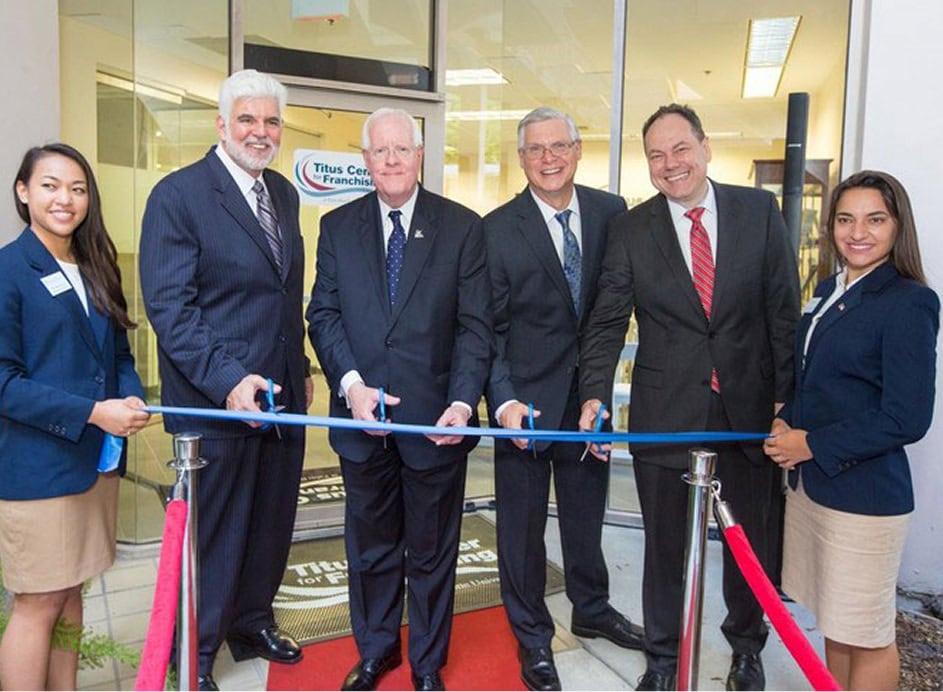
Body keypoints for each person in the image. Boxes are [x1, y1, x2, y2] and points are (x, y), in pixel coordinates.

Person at [578, 103, 800, 691]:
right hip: (666, 415)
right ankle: (662, 658)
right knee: (665, 550)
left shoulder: (758, 211)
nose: (670, 164)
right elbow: (605, 322)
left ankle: (746, 649)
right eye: (656, 154)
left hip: (746, 413)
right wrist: (593, 397)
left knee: (748, 544)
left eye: (680, 149)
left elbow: (783, 312)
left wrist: (786, 404)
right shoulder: (632, 227)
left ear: (705, 147)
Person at [307, 107, 492, 692]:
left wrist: (463, 405)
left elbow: (475, 328)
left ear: (419, 155)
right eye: (379, 151)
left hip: (435, 423)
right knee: (370, 549)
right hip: (361, 421)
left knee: (433, 552)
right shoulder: (337, 228)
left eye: (401, 149)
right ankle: (376, 652)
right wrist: (352, 385)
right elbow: (324, 314)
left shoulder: (462, 227)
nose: (390, 160)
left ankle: (428, 663)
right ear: (365, 160)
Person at [139, 69, 312, 690]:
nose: (260, 133)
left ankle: (251, 622)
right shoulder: (179, 195)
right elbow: (170, 309)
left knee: (270, 522)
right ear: (221, 124)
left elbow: (284, 294)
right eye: (248, 120)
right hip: (216, 405)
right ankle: (196, 649)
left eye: (270, 122)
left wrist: (303, 369)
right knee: (214, 535)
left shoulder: (284, 195)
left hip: (282, 399)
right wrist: (230, 380)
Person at [483, 107, 643, 691]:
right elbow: (487, 329)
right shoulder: (496, 229)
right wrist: (502, 402)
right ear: (521, 158)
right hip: (522, 405)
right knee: (520, 530)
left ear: (578, 151)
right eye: (536, 149)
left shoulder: (612, 213)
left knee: (584, 515)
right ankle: (532, 635)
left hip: (588, 400)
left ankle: (592, 609)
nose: (549, 158)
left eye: (559, 146)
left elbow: (612, 308)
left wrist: (597, 392)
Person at [763, 171, 938, 691]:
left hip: (863, 499)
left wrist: (810, 444)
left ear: (897, 226)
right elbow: (816, 378)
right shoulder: (829, 289)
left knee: (866, 632)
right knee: (835, 624)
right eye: (845, 219)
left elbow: (907, 417)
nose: (857, 232)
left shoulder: (909, 302)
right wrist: (787, 416)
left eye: (875, 219)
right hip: (817, 491)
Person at [0, 143, 150, 690]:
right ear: (23, 192)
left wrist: (130, 399)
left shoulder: (92, 265)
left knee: (70, 594)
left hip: (93, 465)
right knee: (37, 603)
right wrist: (93, 412)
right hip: (40, 469)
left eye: (78, 188)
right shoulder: (9, 270)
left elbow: (118, 357)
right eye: (50, 185)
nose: (66, 198)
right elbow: (4, 383)